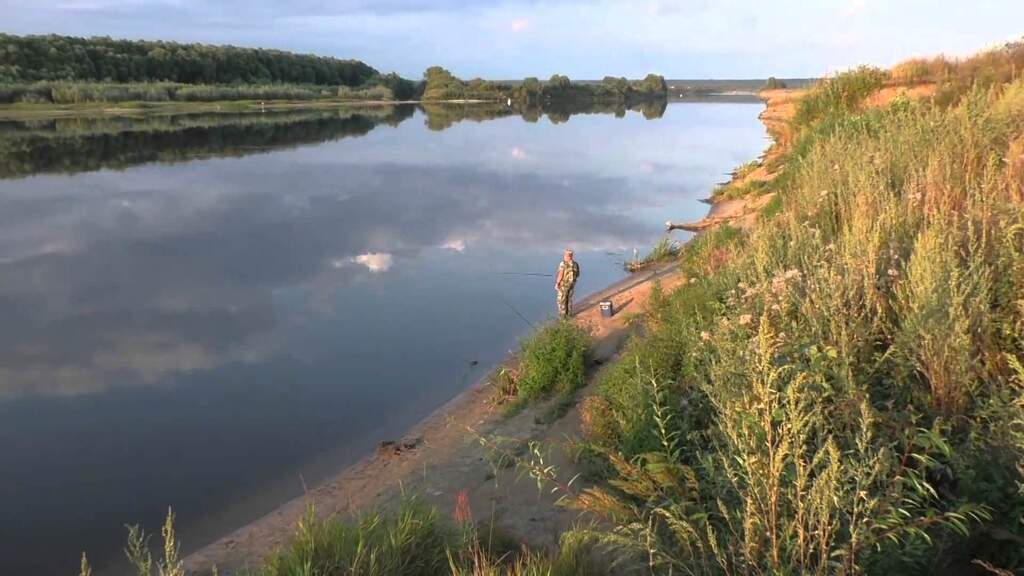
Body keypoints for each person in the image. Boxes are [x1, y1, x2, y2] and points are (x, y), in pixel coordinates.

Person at [555, 248, 580, 318]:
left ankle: (562, 318)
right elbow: (577, 275)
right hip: (572, 284)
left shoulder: (563, 263)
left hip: (564, 285)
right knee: (569, 299)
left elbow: (561, 274)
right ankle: (569, 315)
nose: (564, 256)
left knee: (561, 301)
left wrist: (557, 283)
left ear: (567, 256)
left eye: (565, 255)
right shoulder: (575, 264)